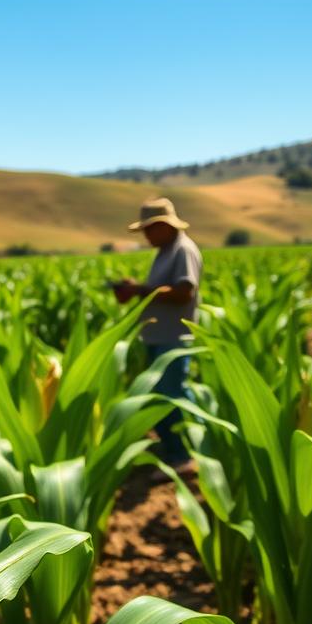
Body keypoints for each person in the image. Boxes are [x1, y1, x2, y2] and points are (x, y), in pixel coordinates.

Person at [112, 197, 202, 473]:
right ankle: (183, 447)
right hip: (158, 337)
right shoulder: (165, 250)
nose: (146, 236)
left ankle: (182, 457)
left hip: (173, 338)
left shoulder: (183, 250)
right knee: (167, 394)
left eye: (149, 229)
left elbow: (184, 292)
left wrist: (140, 291)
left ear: (165, 226)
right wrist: (137, 288)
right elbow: (162, 289)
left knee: (169, 397)